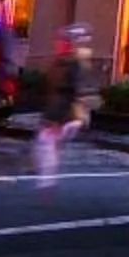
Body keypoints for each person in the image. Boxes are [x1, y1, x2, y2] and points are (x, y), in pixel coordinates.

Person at [32, 26, 89, 189]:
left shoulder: (72, 65)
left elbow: (71, 92)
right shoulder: (61, 62)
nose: (59, 44)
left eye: (63, 42)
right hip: (58, 111)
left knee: (46, 142)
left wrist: (58, 119)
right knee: (46, 143)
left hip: (64, 113)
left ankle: (46, 182)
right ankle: (46, 180)